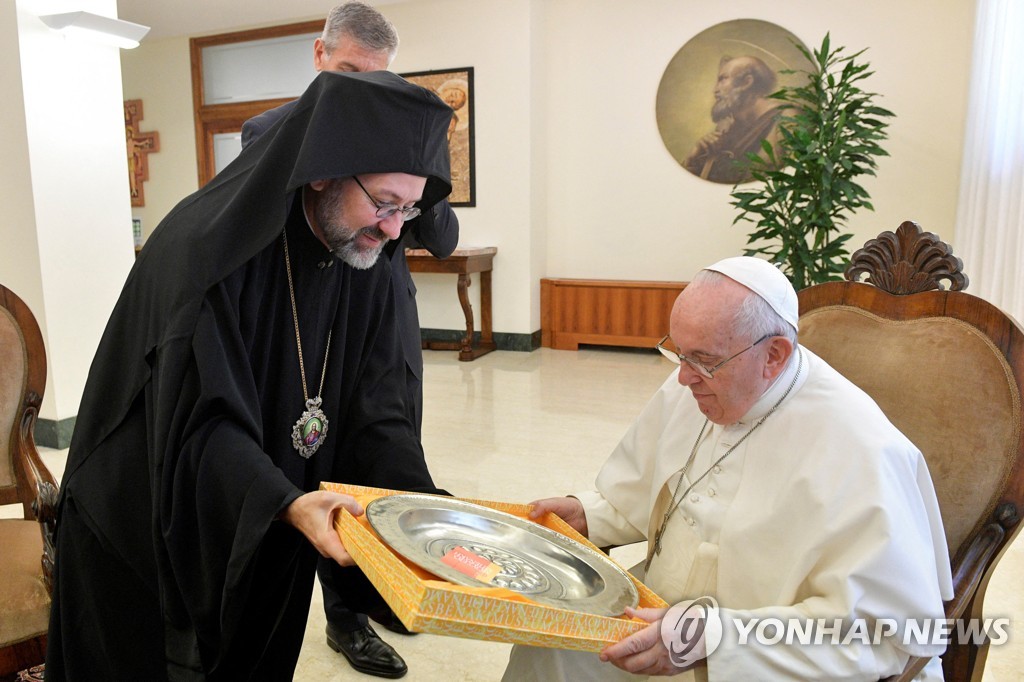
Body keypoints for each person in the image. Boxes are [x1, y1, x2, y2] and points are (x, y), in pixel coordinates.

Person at [45, 70, 453, 681]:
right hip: (147, 529)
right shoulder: (205, 255)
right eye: (385, 203)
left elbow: (377, 409)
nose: (396, 228)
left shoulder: (363, 254)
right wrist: (284, 502)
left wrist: (423, 516)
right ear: (324, 171)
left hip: (269, 514)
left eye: (410, 208)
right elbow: (199, 427)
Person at [503, 256, 953, 680]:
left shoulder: (862, 450)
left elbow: (885, 634)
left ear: (774, 355)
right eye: (679, 352)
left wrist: (716, 639)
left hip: (762, 655)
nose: (683, 376)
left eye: (703, 360)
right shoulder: (697, 378)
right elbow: (648, 490)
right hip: (657, 610)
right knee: (548, 639)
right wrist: (588, 514)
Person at [243, 4, 460, 678]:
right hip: (302, 328)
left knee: (375, 457)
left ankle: (356, 609)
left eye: (376, 79)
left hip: (378, 324)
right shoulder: (269, 132)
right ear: (319, 55)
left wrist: (415, 193)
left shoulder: (400, 142)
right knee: (301, 464)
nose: (360, 94)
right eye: (348, 74)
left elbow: (439, 239)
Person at [683, 56, 782, 184]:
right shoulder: (729, 128)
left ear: (747, 82)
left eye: (723, 79)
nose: (715, 90)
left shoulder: (786, 119)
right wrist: (694, 157)